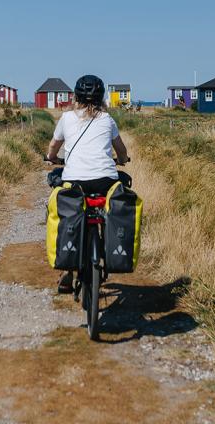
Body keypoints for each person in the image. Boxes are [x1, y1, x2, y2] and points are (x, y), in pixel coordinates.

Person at [46, 74, 130, 293]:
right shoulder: (107, 119)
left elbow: (54, 146)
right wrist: (122, 161)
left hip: (75, 181)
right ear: (101, 96)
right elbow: (121, 150)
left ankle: (69, 268)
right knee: (107, 211)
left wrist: (52, 158)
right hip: (105, 181)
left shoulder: (67, 118)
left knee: (68, 211)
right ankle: (107, 248)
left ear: (76, 95)